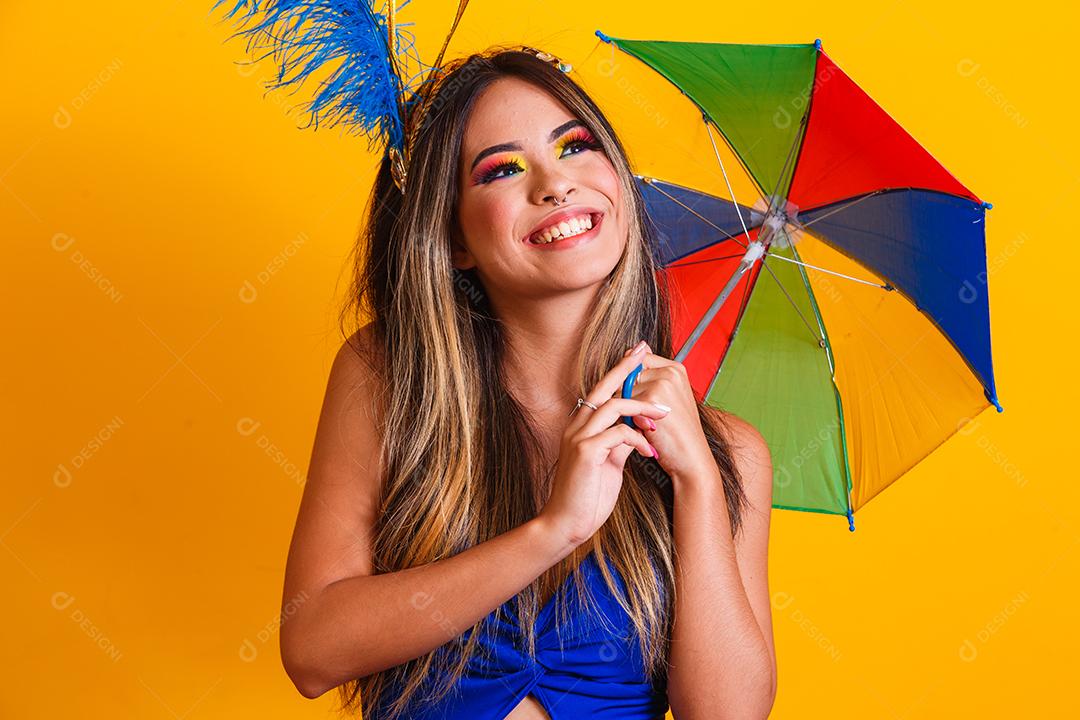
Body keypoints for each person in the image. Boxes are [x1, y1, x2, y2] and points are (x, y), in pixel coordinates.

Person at [281, 48, 777, 719]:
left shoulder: (728, 452)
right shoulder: (389, 380)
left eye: (576, 146)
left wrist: (698, 485)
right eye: (502, 169)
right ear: (453, 236)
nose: (555, 185)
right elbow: (313, 648)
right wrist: (553, 531)